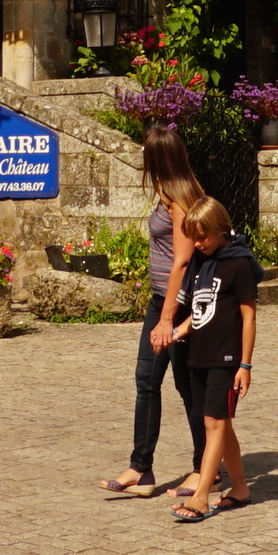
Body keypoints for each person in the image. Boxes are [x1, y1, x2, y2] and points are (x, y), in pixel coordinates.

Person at [105, 124, 209, 494]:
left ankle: (203, 468)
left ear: (156, 160)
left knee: (187, 386)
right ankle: (140, 469)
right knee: (147, 380)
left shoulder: (181, 201)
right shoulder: (167, 195)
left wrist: (167, 319)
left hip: (176, 306)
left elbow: (181, 260)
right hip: (159, 300)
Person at [156, 194, 259, 523]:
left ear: (221, 229)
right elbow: (200, 311)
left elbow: (248, 318)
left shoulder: (240, 263)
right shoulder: (202, 261)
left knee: (213, 424)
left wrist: (245, 365)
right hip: (199, 354)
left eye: (202, 236)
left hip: (226, 358)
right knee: (219, 424)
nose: (197, 243)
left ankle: (202, 496)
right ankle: (240, 487)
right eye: (193, 237)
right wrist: (176, 332)